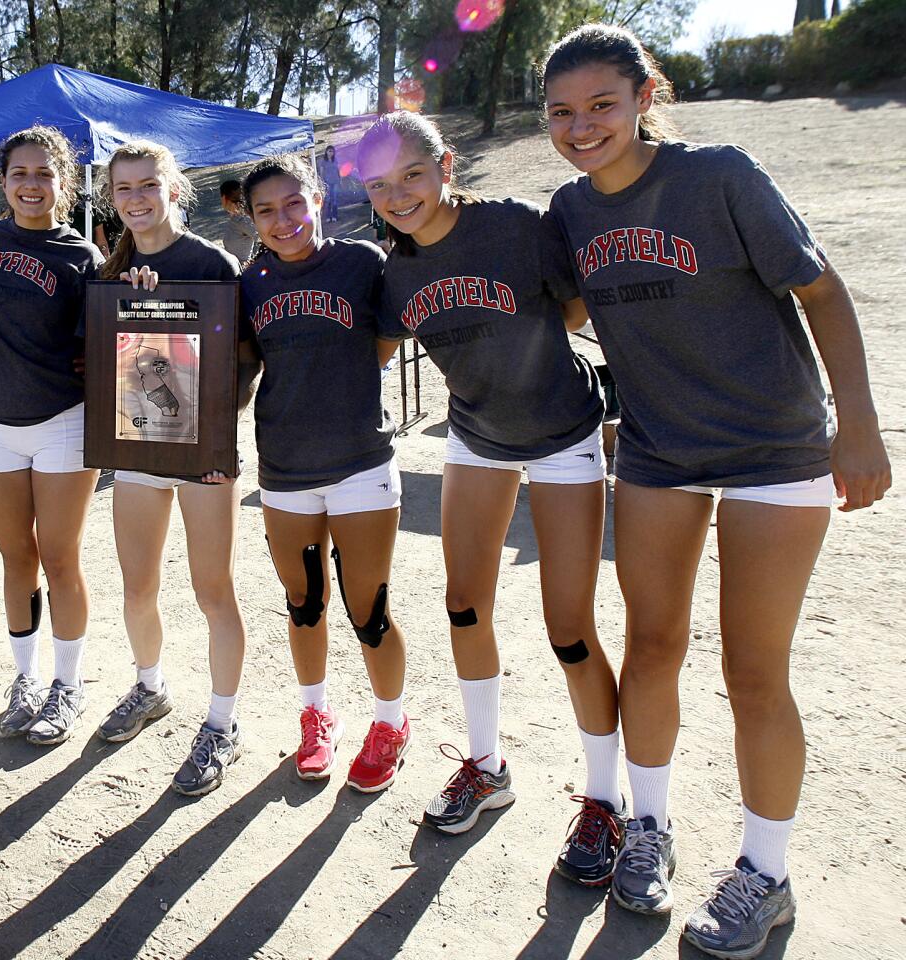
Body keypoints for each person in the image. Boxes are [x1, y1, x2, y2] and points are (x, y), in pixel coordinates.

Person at [542, 24, 891, 957]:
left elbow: (821, 291)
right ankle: (646, 827)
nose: (583, 128)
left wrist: (856, 423)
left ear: (646, 94)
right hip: (659, 453)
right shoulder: (570, 211)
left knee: (752, 670)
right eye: (563, 113)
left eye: (602, 105)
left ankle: (765, 875)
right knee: (651, 644)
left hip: (777, 449)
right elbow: (568, 303)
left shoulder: (721, 174)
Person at [358, 113, 622, 876]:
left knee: (570, 630)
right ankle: (486, 764)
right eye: (381, 184)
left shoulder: (517, 225)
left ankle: (605, 802)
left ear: (445, 165)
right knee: (463, 605)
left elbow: (573, 309)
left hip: (564, 433)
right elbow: (370, 348)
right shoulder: (396, 269)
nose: (399, 194)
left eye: (413, 173)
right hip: (476, 439)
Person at [239, 153, 411, 793]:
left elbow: (384, 342)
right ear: (251, 219)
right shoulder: (248, 281)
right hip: (284, 470)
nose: (282, 219)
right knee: (305, 603)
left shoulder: (363, 263)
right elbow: (236, 369)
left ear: (318, 199)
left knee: (368, 609)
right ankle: (316, 716)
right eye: (265, 210)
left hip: (360, 464)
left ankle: (390, 722)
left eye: (293, 202)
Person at [93, 140, 250, 797]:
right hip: (139, 450)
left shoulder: (209, 261)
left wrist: (215, 445)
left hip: (202, 455)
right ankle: (150, 686)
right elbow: (108, 363)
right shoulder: (109, 271)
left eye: (147, 185)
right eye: (123, 188)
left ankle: (222, 723)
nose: (136, 198)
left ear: (173, 188)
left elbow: (239, 364)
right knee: (137, 587)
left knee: (213, 591)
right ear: (111, 196)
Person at [0, 125, 104, 747]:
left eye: (44, 174)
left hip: (61, 424)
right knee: (15, 557)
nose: (30, 184)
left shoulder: (83, 257)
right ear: (3, 182)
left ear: (64, 183)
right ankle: (25, 680)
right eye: (19, 173)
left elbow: (106, 342)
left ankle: (66, 687)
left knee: (59, 556)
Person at [218, 180, 256, 264]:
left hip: (242, 270)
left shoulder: (242, 220)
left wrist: (256, 262)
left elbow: (264, 239)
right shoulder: (235, 217)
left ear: (224, 198)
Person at [317, 145, 341, 223]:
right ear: (326, 152)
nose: (331, 153)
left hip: (335, 182)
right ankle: (328, 216)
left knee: (334, 199)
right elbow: (321, 172)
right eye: (329, 151)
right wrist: (322, 182)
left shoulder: (335, 160)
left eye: (332, 151)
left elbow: (338, 171)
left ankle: (334, 216)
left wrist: (340, 180)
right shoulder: (323, 161)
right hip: (327, 182)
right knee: (328, 200)